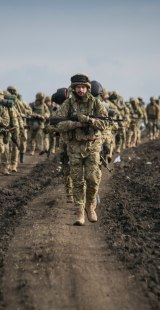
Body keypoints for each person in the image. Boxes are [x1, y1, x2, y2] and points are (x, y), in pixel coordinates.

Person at [55, 73, 109, 226]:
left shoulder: (96, 103)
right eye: (77, 87)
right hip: (75, 146)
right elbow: (58, 124)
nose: (80, 90)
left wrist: (89, 120)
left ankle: (90, 206)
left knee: (93, 178)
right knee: (77, 181)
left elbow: (105, 124)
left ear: (87, 88)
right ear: (73, 88)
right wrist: (75, 124)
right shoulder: (68, 104)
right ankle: (79, 212)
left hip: (92, 145)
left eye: (83, 87)